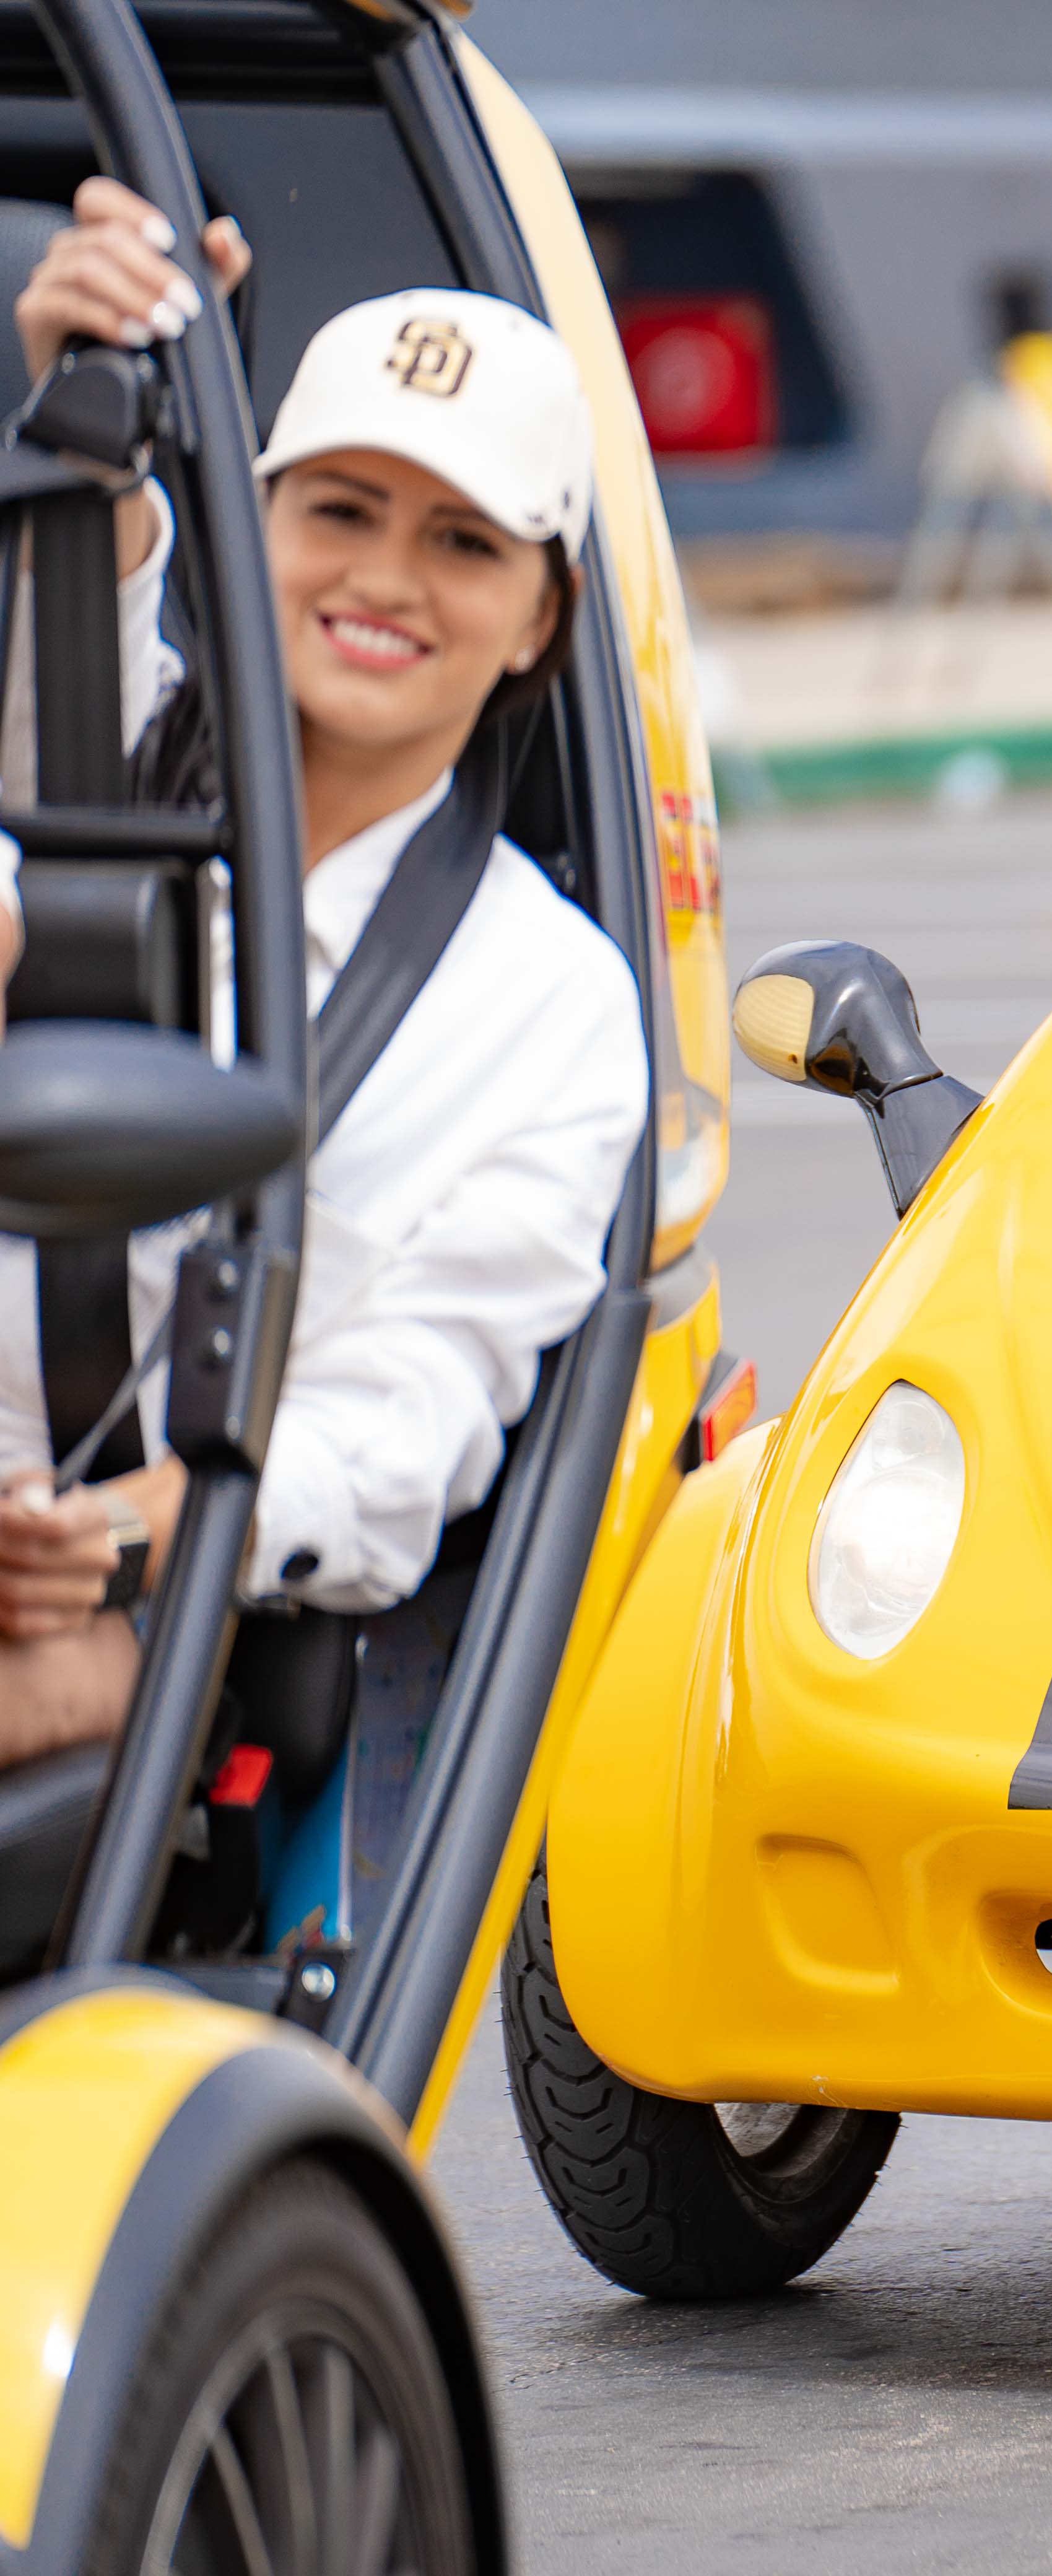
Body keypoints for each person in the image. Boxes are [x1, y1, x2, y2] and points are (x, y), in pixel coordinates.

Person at [0, 180, 648, 1788]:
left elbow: (411, 1415)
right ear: (255, 528)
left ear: (538, 617)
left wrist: (125, 1533)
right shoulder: (89, 788)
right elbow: (83, 615)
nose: (386, 580)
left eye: (462, 541)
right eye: (338, 511)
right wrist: (87, 399)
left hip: (135, 1583)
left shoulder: (547, 1006)